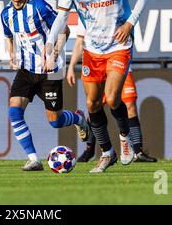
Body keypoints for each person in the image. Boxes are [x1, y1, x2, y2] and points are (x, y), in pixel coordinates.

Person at [45, 0, 149, 173]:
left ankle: (124, 139)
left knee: (112, 98)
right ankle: (107, 153)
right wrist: (50, 43)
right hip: (92, 49)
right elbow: (62, 16)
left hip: (118, 45)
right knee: (92, 104)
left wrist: (130, 24)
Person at [0, 0, 89, 171]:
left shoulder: (38, 6)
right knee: (14, 112)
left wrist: (54, 55)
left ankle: (78, 118)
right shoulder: (6, 14)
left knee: (55, 121)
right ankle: (34, 159)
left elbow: (64, 30)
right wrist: (12, 55)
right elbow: (8, 35)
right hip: (27, 69)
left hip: (51, 70)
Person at [67, 28, 157, 163]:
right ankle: (90, 150)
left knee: (130, 105)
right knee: (94, 105)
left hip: (118, 65)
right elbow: (80, 41)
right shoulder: (85, 11)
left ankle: (137, 151)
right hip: (97, 66)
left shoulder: (117, 9)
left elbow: (131, 28)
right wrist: (71, 66)